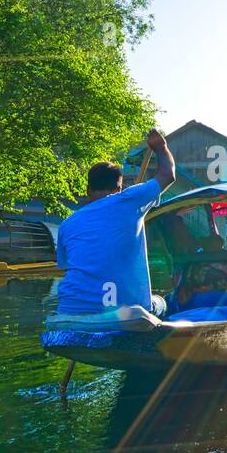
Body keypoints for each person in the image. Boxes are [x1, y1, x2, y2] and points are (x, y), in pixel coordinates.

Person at [55, 129, 176, 315]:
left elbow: (66, 267)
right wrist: (161, 147)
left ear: (88, 190)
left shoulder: (67, 224)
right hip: (124, 308)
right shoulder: (129, 199)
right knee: (162, 303)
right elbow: (168, 175)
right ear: (119, 188)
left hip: (70, 309)